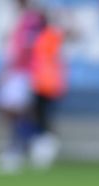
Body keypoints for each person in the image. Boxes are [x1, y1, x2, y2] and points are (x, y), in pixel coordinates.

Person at [0, 0, 44, 173]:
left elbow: (27, 47)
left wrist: (12, 69)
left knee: (17, 110)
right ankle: (28, 142)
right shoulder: (19, 17)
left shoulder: (32, 19)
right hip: (15, 71)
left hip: (22, 72)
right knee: (9, 111)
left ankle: (21, 147)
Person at [27, 13, 66, 170]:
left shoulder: (50, 36)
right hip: (43, 82)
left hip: (46, 83)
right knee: (40, 116)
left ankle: (47, 144)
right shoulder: (45, 36)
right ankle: (44, 143)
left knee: (43, 116)